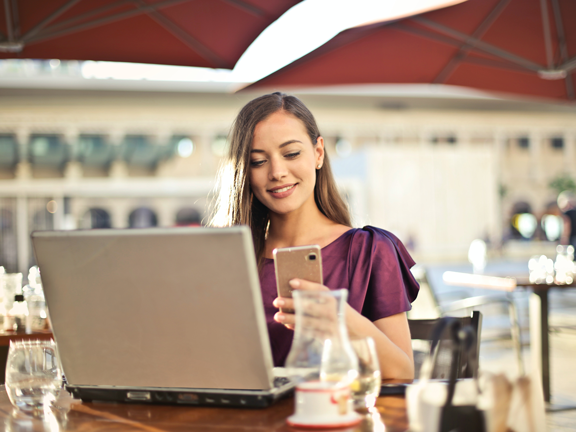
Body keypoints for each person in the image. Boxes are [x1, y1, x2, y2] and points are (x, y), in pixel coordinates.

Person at [210, 92, 419, 379]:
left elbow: (403, 371)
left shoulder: (369, 250)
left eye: (291, 154)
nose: (277, 172)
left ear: (318, 153)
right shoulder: (226, 258)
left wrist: (340, 319)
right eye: (258, 161)